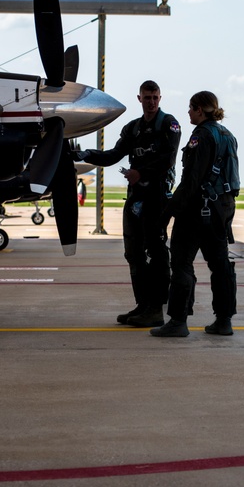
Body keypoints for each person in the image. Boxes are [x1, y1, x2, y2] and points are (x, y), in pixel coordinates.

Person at [73, 80, 181, 327]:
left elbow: (168, 159)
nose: (151, 102)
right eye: (147, 97)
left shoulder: (169, 124)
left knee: (156, 251)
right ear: (139, 99)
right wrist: (84, 154)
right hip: (136, 200)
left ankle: (156, 308)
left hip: (158, 199)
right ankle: (142, 305)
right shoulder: (132, 129)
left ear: (160, 98)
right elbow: (112, 156)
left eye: (155, 97)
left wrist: (141, 173)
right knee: (133, 253)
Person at [151, 91, 239, 338]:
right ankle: (224, 321)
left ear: (200, 109)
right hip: (222, 210)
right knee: (220, 265)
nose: (188, 112)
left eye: (191, 108)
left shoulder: (201, 136)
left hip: (197, 211)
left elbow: (191, 180)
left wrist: (167, 214)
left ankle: (178, 321)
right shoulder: (227, 135)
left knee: (181, 264)